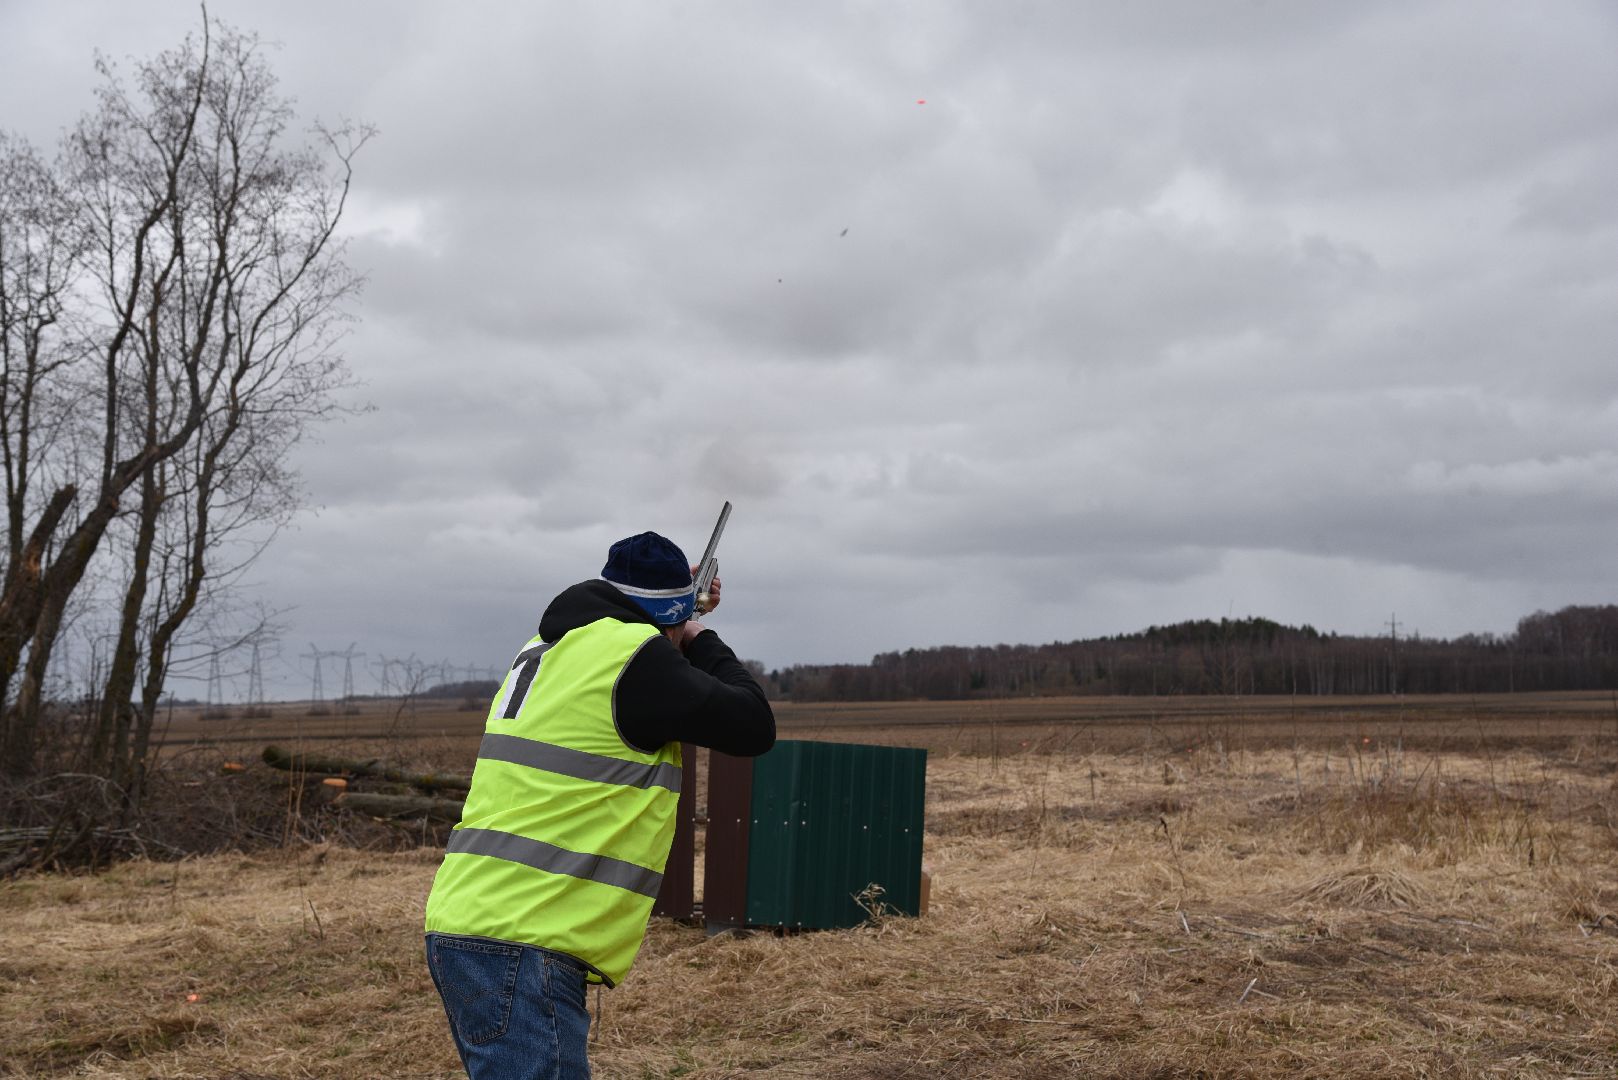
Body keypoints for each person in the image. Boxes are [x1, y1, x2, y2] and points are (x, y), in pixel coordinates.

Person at [423, 530, 775, 1080]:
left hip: (470, 923)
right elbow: (753, 724)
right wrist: (700, 636)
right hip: (527, 941)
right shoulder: (636, 660)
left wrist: (677, 618)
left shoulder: (546, 648)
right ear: (669, 617)